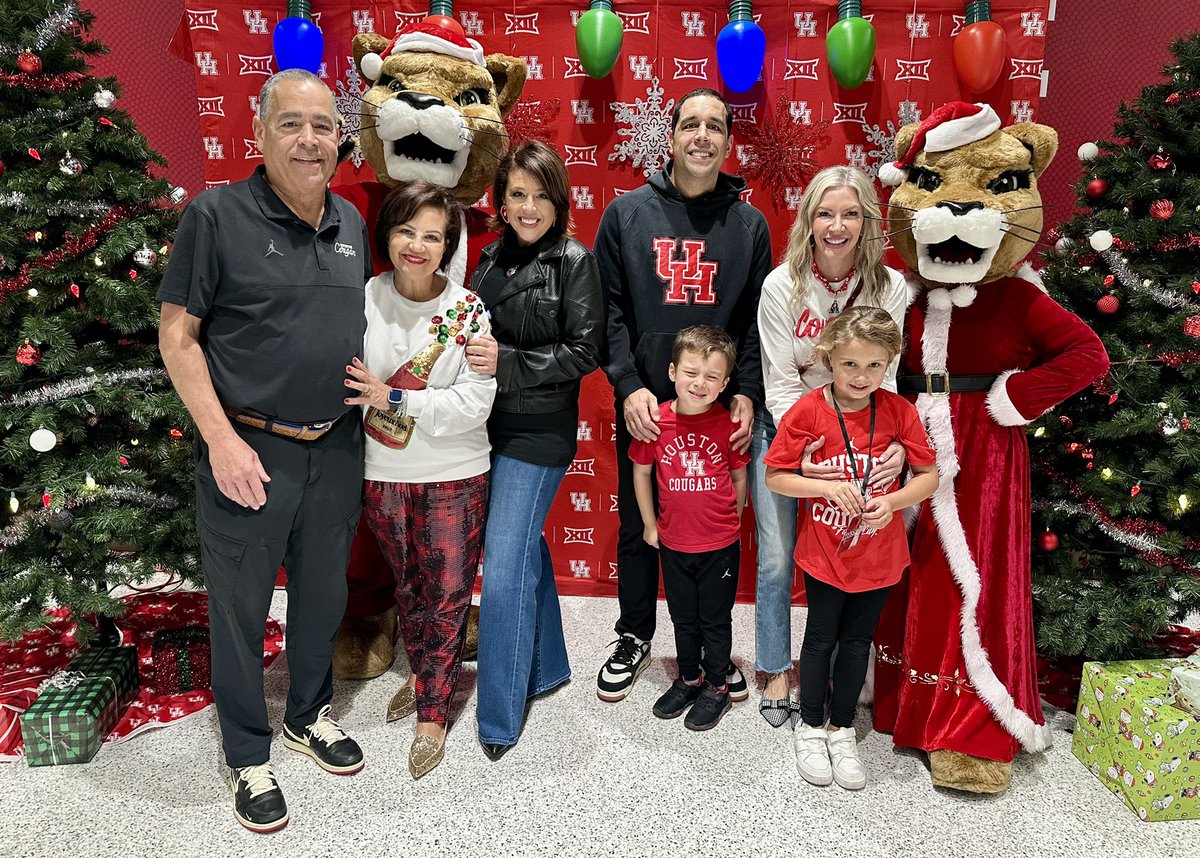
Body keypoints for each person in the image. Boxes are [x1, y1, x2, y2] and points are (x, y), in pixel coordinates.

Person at [158, 69, 368, 834]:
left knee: (323, 598)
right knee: (241, 612)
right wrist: (219, 439)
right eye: (291, 124)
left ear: (340, 138)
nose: (309, 140)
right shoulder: (215, 216)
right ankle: (248, 754)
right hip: (248, 451)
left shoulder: (351, 221)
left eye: (322, 125)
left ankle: (307, 716)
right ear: (259, 134)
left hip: (337, 450)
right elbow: (177, 334)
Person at [596, 88, 771, 704]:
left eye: (715, 126)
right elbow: (608, 311)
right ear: (670, 137)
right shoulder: (625, 214)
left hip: (719, 410)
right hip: (649, 405)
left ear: (728, 141)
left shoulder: (749, 225)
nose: (703, 135)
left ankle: (714, 651)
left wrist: (747, 389)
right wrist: (629, 385)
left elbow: (754, 319)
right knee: (640, 525)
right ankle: (635, 634)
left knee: (716, 524)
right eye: (690, 124)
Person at [343, 181, 496, 780]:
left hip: (454, 473)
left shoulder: (466, 310)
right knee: (408, 588)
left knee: (450, 592)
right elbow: (351, 385)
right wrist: (404, 400)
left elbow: (471, 406)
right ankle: (425, 670)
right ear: (388, 234)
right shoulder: (364, 299)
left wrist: (394, 397)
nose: (418, 245)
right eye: (407, 230)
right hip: (383, 472)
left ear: (448, 245)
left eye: (433, 235)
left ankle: (433, 710)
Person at [462, 141, 605, 760]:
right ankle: (547, 665)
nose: (527, 207)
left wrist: (508, 364)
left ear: (559, 200)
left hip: (540, 430)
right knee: (522, 546)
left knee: (503, 562)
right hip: (480, 425)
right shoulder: (487, 261)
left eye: (540, 195)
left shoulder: (575, 262)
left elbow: (584, 352)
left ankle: (498, 714)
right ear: (500, 200)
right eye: (516, 194)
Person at [753, 166, 909, 727]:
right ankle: (774, 667)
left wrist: (889, 448)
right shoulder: (781, 285)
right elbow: (780, 381)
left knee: (854, 550)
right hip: (791, 431)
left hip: (865, 439)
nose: (836, 225)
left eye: (849, 213)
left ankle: (849, 675)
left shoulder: (890, 287)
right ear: (808, 220)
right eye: (825, 213)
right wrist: (809, 450)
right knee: (775, 561)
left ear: (867, 220)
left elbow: (885, 378)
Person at [764, 307, 939, 790]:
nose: (860, 377)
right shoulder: (807, 410)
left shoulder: (899, 411)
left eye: (873, 366)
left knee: (859, 641)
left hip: (880, 558)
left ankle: (842, 728)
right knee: (820, 639)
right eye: (849, 365)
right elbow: (775, 476)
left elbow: (930, 478)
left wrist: (893, 501)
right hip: (825, 552)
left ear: (889, 364)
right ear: (827, 359)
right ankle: (811, 723)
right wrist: (822, 489)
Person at [630, 326, 750, 730]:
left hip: (719, 544)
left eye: (712, 376)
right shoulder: (656, 422)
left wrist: (734, 517)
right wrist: (649, 524)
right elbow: (641, 473)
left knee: (715, 619)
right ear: (671, 371)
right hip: (674, 542)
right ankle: (688, 677)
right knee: (683, 617)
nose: (700, 383)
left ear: (725, 383)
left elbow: (738, 477)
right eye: (691, 372)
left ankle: (717, 685)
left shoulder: (729, 425)